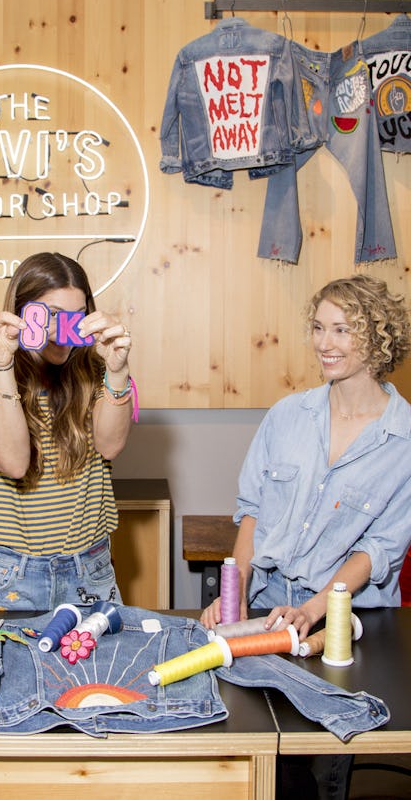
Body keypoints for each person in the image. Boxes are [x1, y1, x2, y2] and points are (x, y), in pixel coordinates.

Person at [200, 274, 411, 800]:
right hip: (269, 608)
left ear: (377, 337)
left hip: (347, 624)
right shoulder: (286, 416)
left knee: (328, 766)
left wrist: (317, 609)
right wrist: (235, 595)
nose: (324, 343)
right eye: (318, 327)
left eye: (342, 330)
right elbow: (251, 513)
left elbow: (379, 549)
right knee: (264, 762)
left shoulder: (405, 439)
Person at [0, 251, 135, 613]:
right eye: (50, 315)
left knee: (97, 670)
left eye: (75, 316)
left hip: (89, 568)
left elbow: (111, 446)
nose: (61, 332)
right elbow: (14, 463)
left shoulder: (99, 379)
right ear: (22, 312)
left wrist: (117, 373)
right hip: (10, 572)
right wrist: (2, 365)